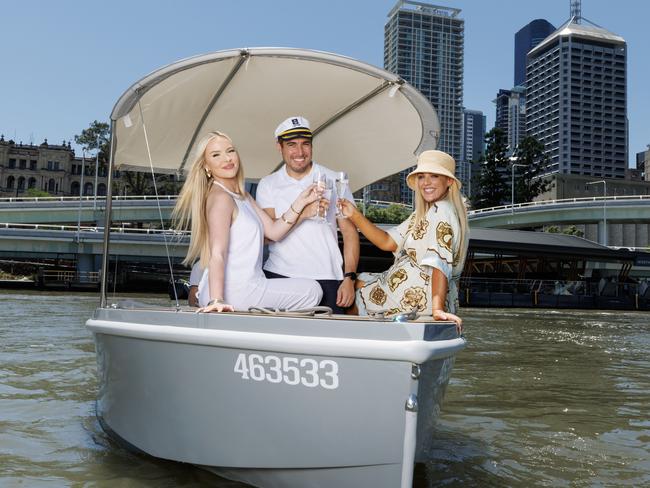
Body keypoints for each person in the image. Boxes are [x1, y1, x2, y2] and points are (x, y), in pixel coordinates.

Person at [172, 130, 323, 313]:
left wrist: (301, 202)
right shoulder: (221, 197)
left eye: (230, 151)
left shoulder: (241, 196)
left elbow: (274, 231)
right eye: (216, 155)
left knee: (310, 289)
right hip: (236, 292)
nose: (227, 159)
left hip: (246, 287)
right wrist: (217, 300)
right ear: (206, 166)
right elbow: (217, 252)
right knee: (313, 291)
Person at [339, 150, 469, 329]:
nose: (426, 183)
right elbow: (387, 242)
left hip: (415, 295)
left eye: (434, 176)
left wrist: (437, 309)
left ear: (449, 181)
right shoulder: (426, 212)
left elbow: (439, 262)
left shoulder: (441, 212)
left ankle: (353, 344)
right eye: (422, 177)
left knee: (350, 290)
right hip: (413, 289)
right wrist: (354, 214)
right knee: (358, 279)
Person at [255, 116, 360, 314]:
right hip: (279, 275)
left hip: (329, 277)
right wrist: (304, 213)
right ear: (280, 147)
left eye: (305, 144)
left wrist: (349, 278)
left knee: (329, 342)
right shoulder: (268, 184)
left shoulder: (334, 179)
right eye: (291, 145)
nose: (300, 152)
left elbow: (349, 233)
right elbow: (268, 235)